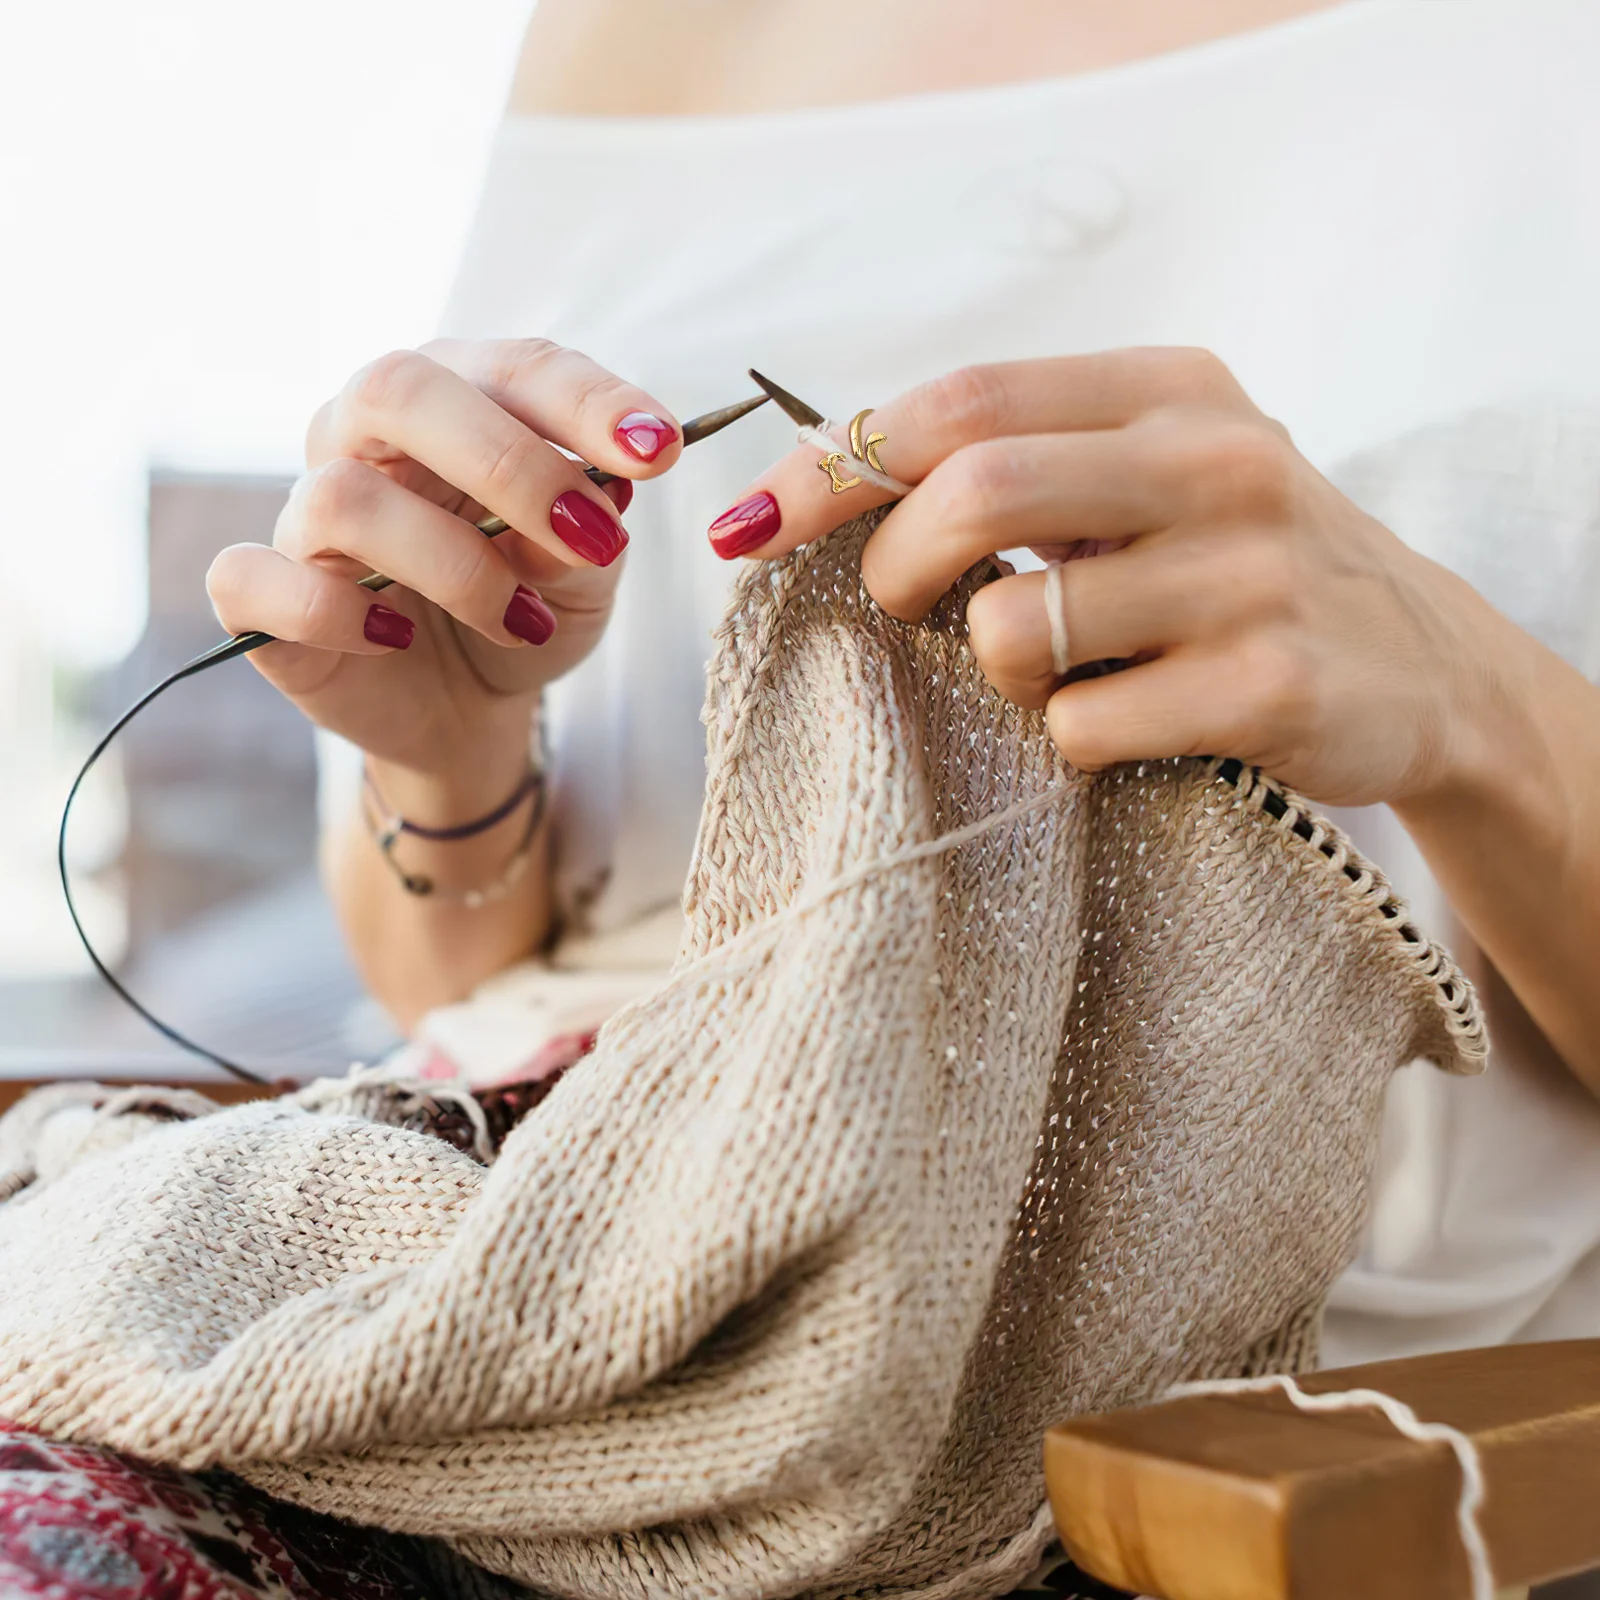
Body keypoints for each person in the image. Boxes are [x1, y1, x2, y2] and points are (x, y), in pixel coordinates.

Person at [206, 0, 1600, 1373]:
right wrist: (453, 761)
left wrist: (1471, 694)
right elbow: (451, 973)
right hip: (546, 1323)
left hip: (1296, 1466)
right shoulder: (616, 33)